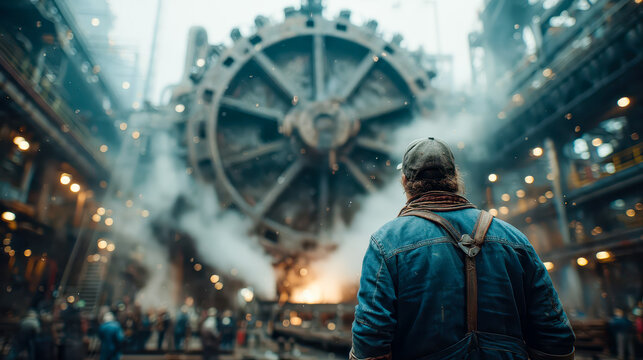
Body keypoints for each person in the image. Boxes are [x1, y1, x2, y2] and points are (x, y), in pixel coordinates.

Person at [350, 137, 576, 359]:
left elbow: (370, 342)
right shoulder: (514, 238)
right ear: (455, 178)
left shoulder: (386, 243)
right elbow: (555, 335)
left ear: (405, 182)